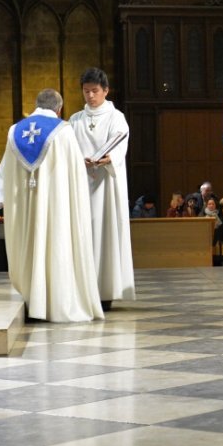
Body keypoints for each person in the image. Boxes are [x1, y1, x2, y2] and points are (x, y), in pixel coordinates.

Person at [0, 89, 102, 322]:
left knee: (30, 245)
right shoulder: (63, 132)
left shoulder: (15, 131)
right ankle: (55, 301)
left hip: (25, 209)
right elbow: (75, 173)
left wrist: (3, 199)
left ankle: (32, 300)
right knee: (56, 245)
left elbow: (3, 170)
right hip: (56, 209)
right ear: (59, 109)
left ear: (36, 104)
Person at [68, 67, 135, 310]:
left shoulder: (116, 117)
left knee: (104, 233)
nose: (90, 96)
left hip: (106, 186)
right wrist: (79, 160)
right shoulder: (75, 120)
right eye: (86, 92)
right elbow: (67, 148)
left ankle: (105, 291)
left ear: (105, 90)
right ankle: (82, 290)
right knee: (82, 233)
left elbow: (120, 145)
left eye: (95, 91)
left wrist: (109, 157)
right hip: (82, 184)